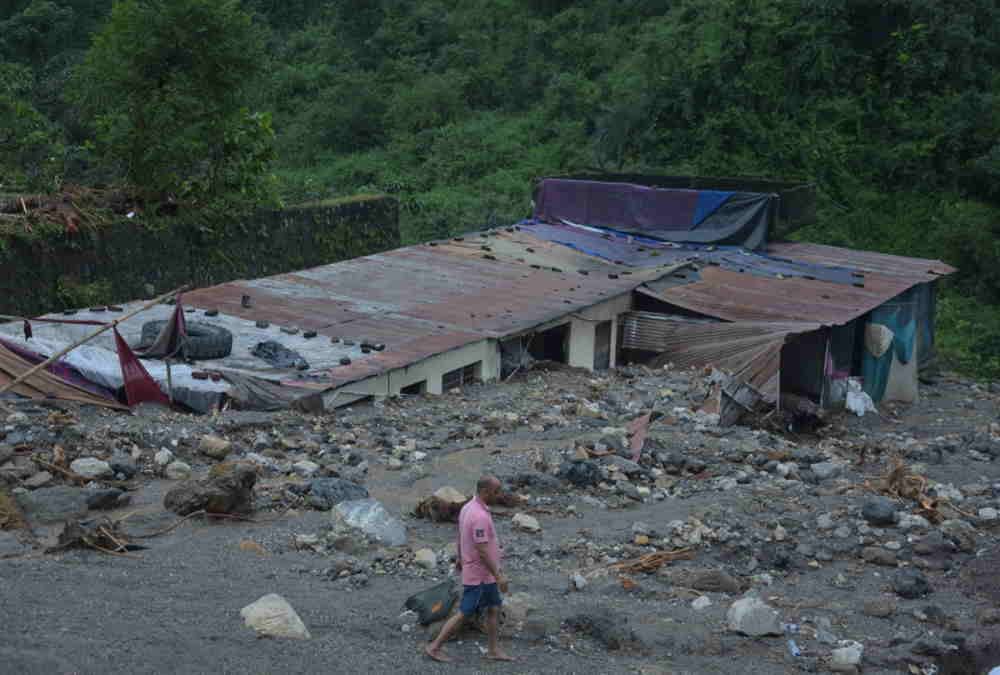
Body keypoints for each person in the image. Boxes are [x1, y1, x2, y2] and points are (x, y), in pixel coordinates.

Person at [425, 475, 514, 663]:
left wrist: (460, 556)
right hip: (480, 575)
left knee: (493, 608)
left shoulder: (468, 507)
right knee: (465, 612)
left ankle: (493, 649)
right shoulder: (479, 515)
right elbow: (482, 550)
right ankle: (434, 647)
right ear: (485, 491)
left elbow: (460, 535)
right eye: (496, 491)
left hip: (483, 573)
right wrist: (499, 576)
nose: (499, 495)